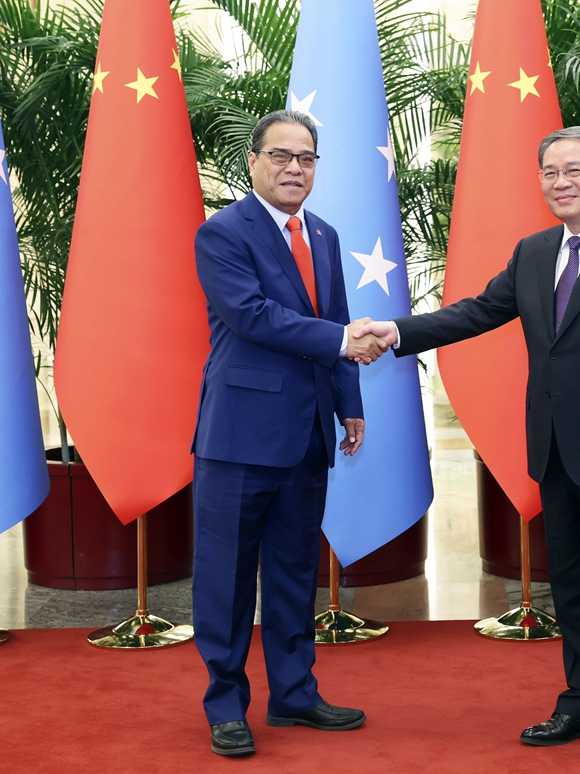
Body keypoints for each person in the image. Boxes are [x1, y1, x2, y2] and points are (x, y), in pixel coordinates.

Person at [355, 126, 580, 767]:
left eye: (574, 170)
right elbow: (478, 311)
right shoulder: (534, 252)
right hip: (556, 451)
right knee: (575, 588)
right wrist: (397, 331)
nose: (561, 183)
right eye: (550, 173)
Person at [191, 109, 386, 757]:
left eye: (306, 158)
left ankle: (295, 694)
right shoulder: (223, 232)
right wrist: (343, 342)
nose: (294, 168)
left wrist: (349, 402)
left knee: (295, 571)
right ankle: (226, 705)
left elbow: (337, 317)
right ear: (253, 162)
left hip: (307, 434)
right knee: (226, 577)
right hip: (239, 438)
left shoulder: (323, 234)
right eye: (280, 155)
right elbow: (251, 316)